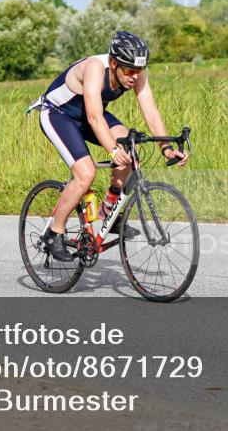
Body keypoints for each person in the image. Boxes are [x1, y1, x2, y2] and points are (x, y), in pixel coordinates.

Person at [28, 31, 188, 261]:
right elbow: (94, 116)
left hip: (90, 114)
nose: (134, 76)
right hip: (59, 114)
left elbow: (150, 111)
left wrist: (166, 147)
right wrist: (112, 150)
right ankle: (55, 232)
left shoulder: (135, 72)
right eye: (129, 71)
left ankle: (108, 213)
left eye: (139, 71)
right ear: (114, 63)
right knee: (86, 174)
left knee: (131, 151)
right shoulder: (95, 67)